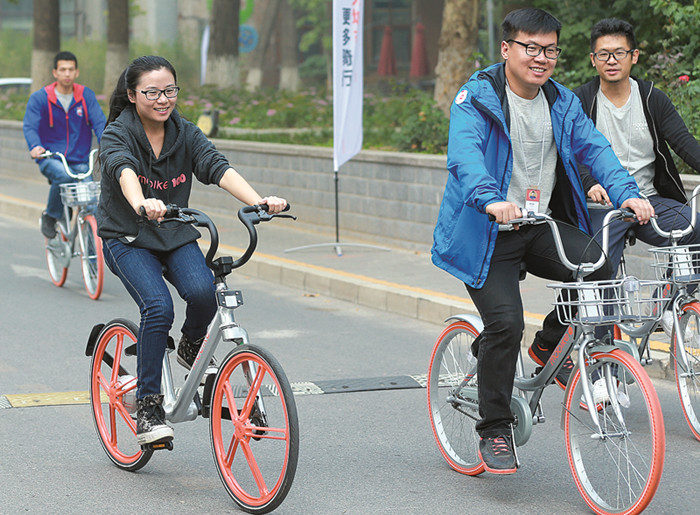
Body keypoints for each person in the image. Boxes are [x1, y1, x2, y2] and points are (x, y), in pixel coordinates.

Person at [431, 8, 654, 475]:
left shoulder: (562, 101)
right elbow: (465, 156)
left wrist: (628, 195)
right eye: (531, 48)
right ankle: (494, 427)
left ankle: (547, 345)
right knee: (506, 324)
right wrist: (491, 200)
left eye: (550, 49)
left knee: (599, 263)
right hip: (487, 233)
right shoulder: (476, 97)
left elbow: (595, 148)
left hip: (536, 226)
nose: (542, 58)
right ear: (507, 48)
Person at [97, 55, 287, 445]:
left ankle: (190, 344)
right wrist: (140, 203)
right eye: (152, 92)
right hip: (128, 237)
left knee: (203, 293)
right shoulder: (120, 132)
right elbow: (122, 169)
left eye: (169, 91)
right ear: (133, 95)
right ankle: (149, 407)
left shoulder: (185, 131)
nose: (162, 99)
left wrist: (259, 201)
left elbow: (216, 166)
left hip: (175, 234)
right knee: (158, 307)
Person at [573, 18, 700, 335]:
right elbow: (570, 153)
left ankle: (669, 306)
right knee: (599, 270)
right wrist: (590, 184)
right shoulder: (580, 101)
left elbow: (684, 144)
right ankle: (603, 370)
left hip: (649, 201)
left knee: (695, 225)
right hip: (604, 206)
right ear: (593, 59)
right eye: (603, 54)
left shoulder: (652, 98)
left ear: (635, 56)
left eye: (619, 52)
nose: (611, 60)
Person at [23, 51, 106, 239]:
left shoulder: (85, 95)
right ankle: (51, 216)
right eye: (63, 70)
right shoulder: (40, 98)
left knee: (91, 203)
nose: (67, 73)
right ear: (55, 72)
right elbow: (30, 126)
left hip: (80, 160)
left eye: (71, 69)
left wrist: (107, 144)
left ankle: (92, 260)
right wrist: (35, 146)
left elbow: (100, 123)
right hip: (51, 157)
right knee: (62, 175)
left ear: (76, 72)